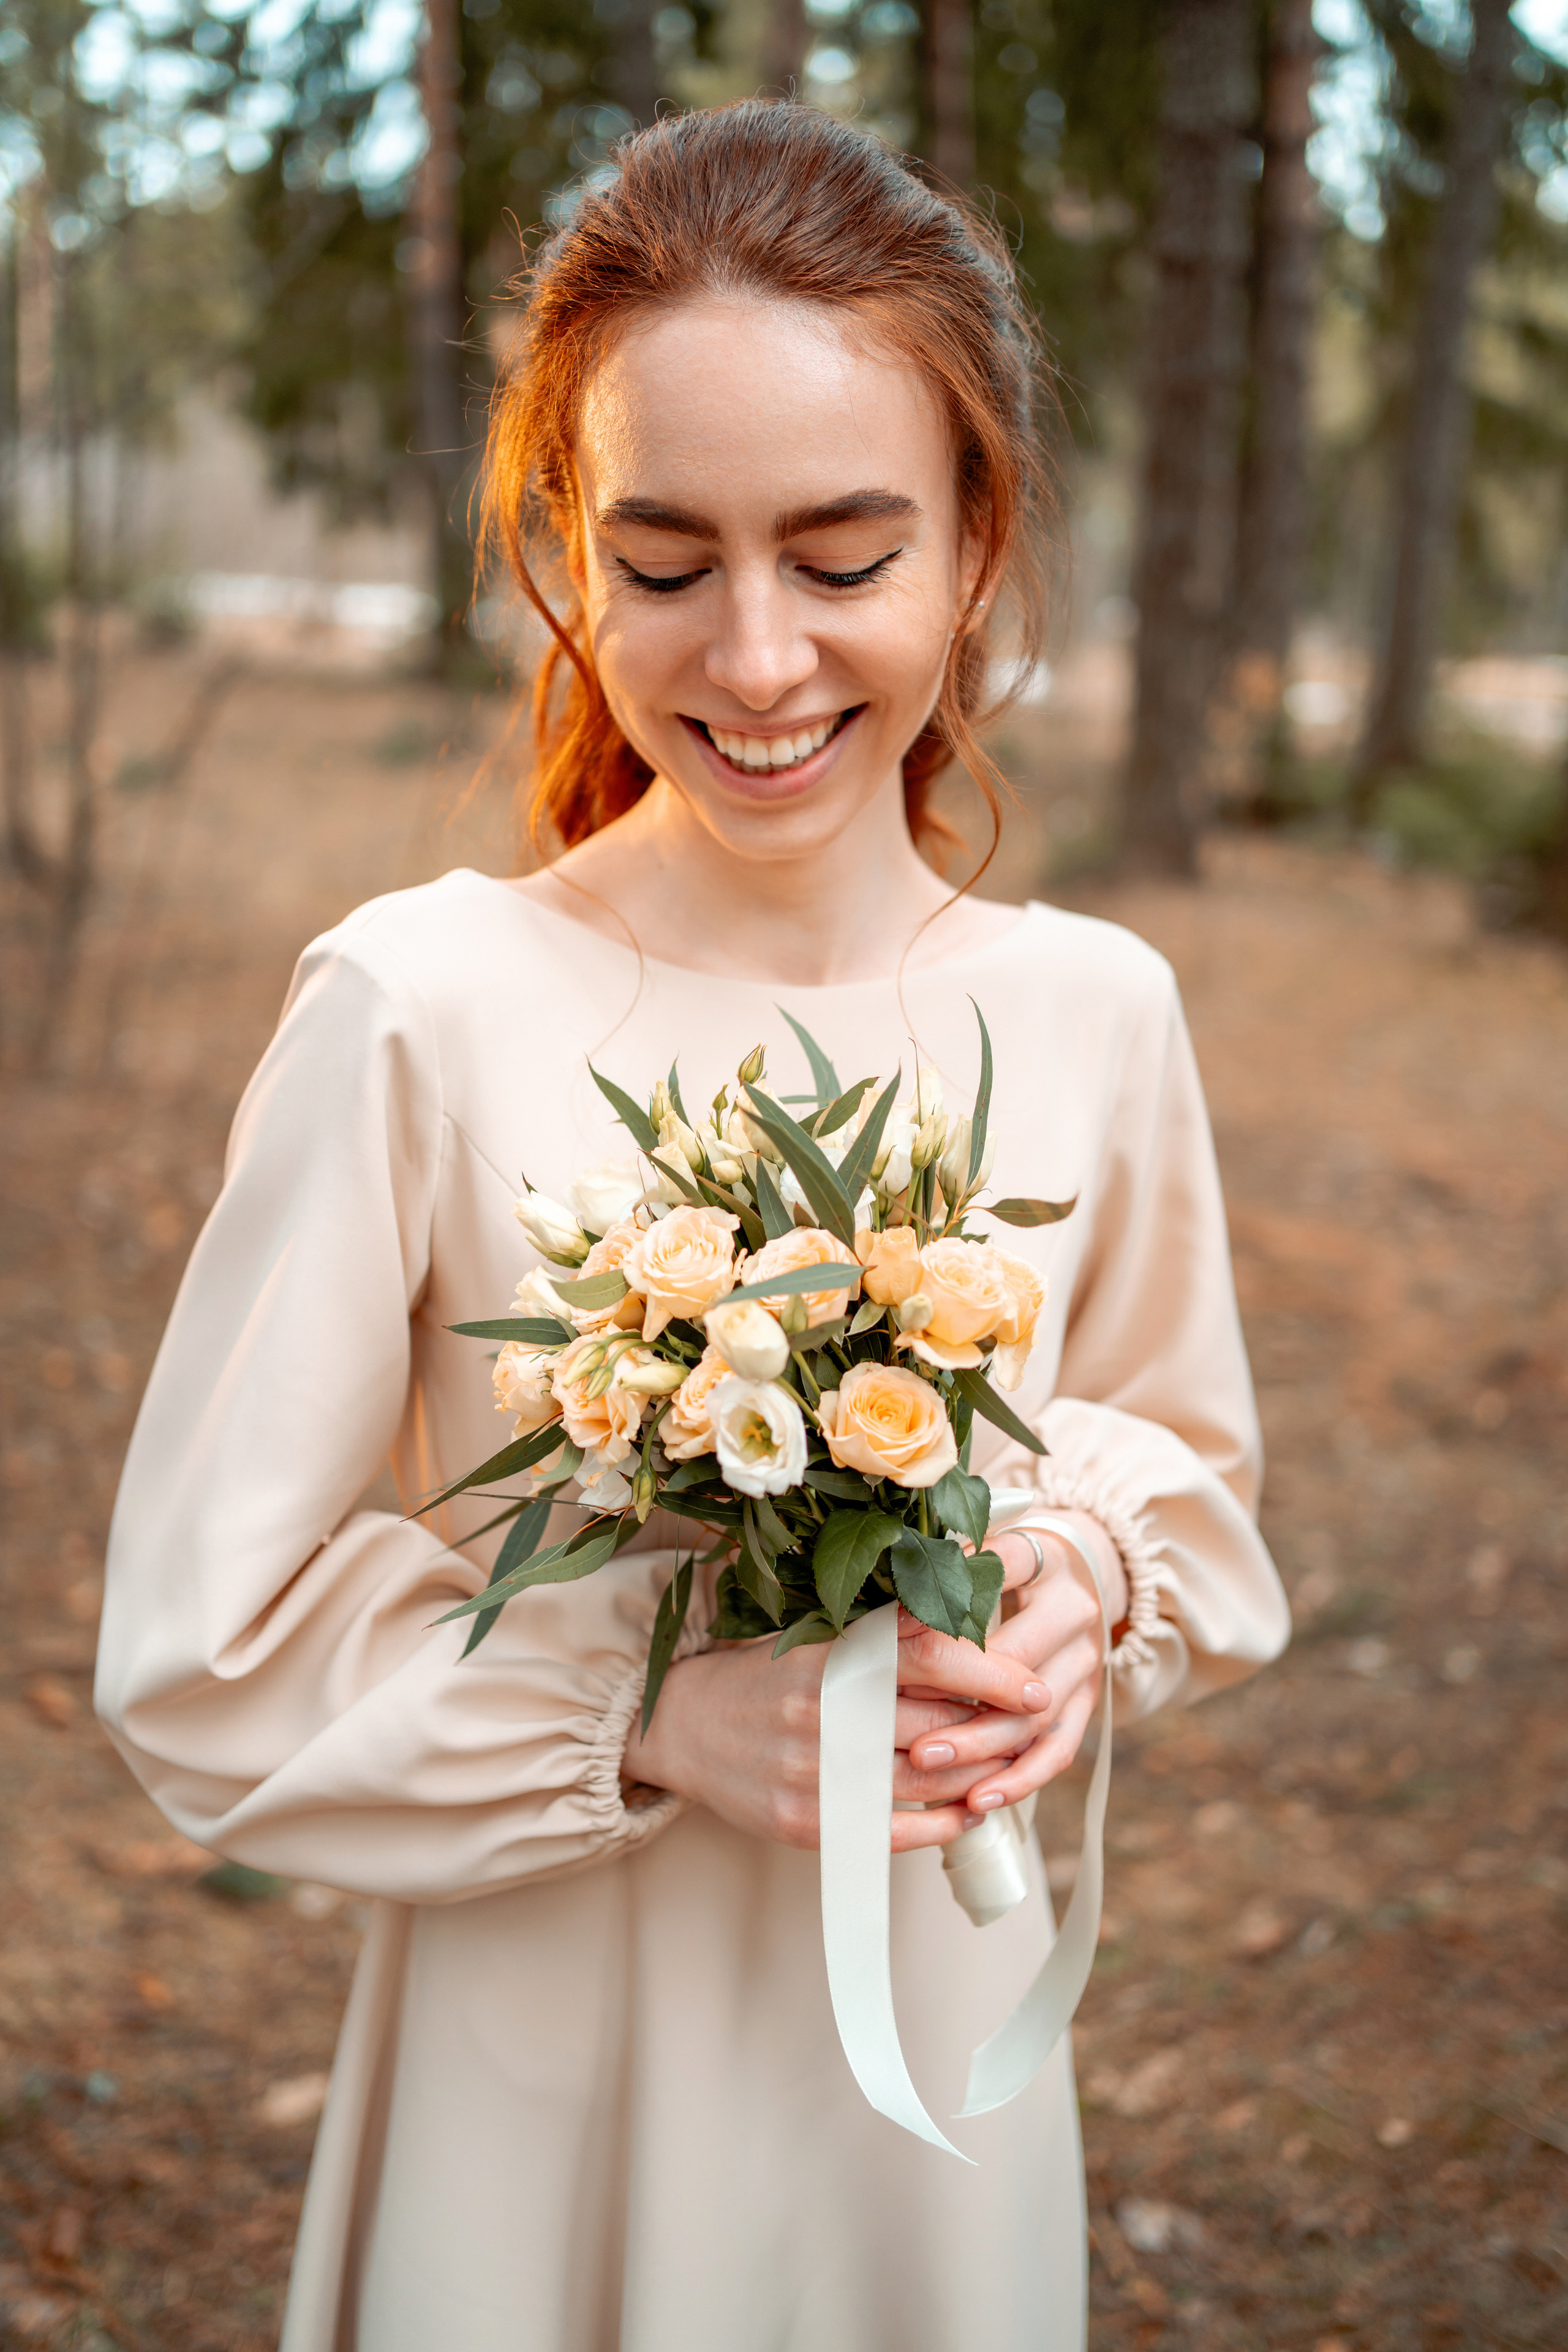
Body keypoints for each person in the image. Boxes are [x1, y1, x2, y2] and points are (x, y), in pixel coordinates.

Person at [96, 101, 1289, 2352]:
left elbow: (1192, 1478)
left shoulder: (1094, 1014)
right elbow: (195, 1652)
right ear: (567, 555)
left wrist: (1076, 1576)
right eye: (665, 565)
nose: (755, 662)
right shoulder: (418, 1008)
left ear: (977, 549)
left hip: (929, 2098)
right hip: (536, 2098)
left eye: (844, 561)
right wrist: (644, 1711)